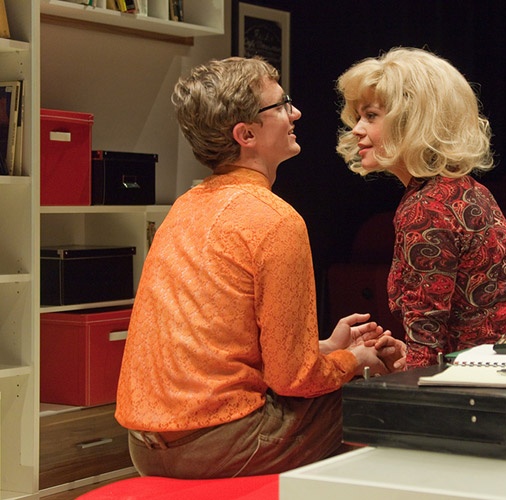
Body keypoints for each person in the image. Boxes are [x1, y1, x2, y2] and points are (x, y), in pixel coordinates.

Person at [115, 56, 398, 479]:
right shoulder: (275, 220)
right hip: (215, 447)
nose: (295, 113)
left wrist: (325, 348)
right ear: (246, 134)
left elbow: (221, 354)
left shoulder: (183, 207)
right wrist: (355, 360)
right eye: (282, 105)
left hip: (145, 446)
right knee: (383, 403)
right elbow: (294, 380)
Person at [335, 47, 506, 369]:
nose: (357, 129)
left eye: (371, 116)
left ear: (411, 121)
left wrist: (410, 367)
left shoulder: (426, 208)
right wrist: (408, 355)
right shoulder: (463, 188)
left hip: (495, 377)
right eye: (358, 117)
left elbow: (428, 336)